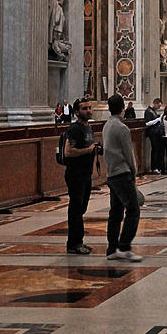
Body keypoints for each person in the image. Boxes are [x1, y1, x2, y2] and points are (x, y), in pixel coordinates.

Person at [103, 93, 142, 262]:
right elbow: (128, 153)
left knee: (116, 212)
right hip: (122, 173)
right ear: (123, 108)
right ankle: (124, 246)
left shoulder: (106, 126)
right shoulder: (122, 128)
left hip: (111, 173)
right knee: (133, 210)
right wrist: (134, 172)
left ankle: (112, 248)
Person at [63, 97, 100, 255]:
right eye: (84, 108)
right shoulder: (74, 129)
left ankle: (78, 241)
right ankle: (74, 243)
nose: (88, 110)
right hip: (75, 174)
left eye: (89, 108)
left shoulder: (88, 127)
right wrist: (88, 150)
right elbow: (68, 152)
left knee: (82, 208)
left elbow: (88, 147)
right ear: (77, 112)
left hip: (86, 173)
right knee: (76, 209)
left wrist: (95, 149)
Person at [144, 97, 164, 173]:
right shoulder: (148, 111)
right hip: (152, 133)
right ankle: (153, 167)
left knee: (157, 150)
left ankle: (158, 166)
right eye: (158, 106)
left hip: (156, 133)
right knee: (154, 150)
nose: (159, 108)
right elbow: (147, 123)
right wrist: (158, 119)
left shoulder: (153, 111)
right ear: (155, 103)